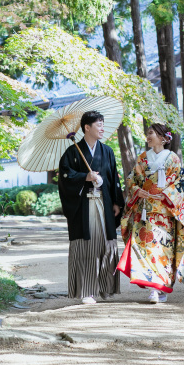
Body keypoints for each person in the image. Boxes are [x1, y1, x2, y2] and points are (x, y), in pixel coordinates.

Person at [117, 123, 184, 304]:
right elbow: (131, 180)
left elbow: (181, 183)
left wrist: (166, 194)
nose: (148, 136)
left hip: (165, 212)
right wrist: (137, 191)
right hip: (145, 211)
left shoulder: (173, 159)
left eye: (151, 133)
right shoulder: (143, 158)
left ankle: (161, 286)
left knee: (163, 250)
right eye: (147, 133)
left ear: (163, 137)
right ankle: (153, 290)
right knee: (146, 248)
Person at [58, 111, 125, 304]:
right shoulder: (72, 152)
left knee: (106, 242)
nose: (102, 128)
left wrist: (116, 202)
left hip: (104, 203)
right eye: (99, 125)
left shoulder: (107, 151)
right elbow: (64, 177)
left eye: (103, 124)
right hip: (83, 205)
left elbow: (114, 179)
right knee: (86, 245)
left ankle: (106, 287)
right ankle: (87, 291)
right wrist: (83, 177)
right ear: (87, 128)